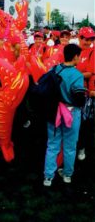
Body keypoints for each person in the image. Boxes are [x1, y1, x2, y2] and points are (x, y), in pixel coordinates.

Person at [43, 44, 86, 187]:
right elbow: (80, 99)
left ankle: (48, 177)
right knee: (69, 146)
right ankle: (67, 174)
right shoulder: (77, 75)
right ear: (75, 57)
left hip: (53, 112)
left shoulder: (54, 69)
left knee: (52, 145)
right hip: (71, 114)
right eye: (79, 56)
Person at [76, 27, 95, 160]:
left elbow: (90, 73)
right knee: (72, 122)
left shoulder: (92, 52)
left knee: (85, 123)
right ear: (79, 37)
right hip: (71, 93)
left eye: (90, 39)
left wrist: (71, 75)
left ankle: (82, 147)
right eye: (84, 38)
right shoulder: (74, 50)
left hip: (86, 94)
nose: (87, 42)